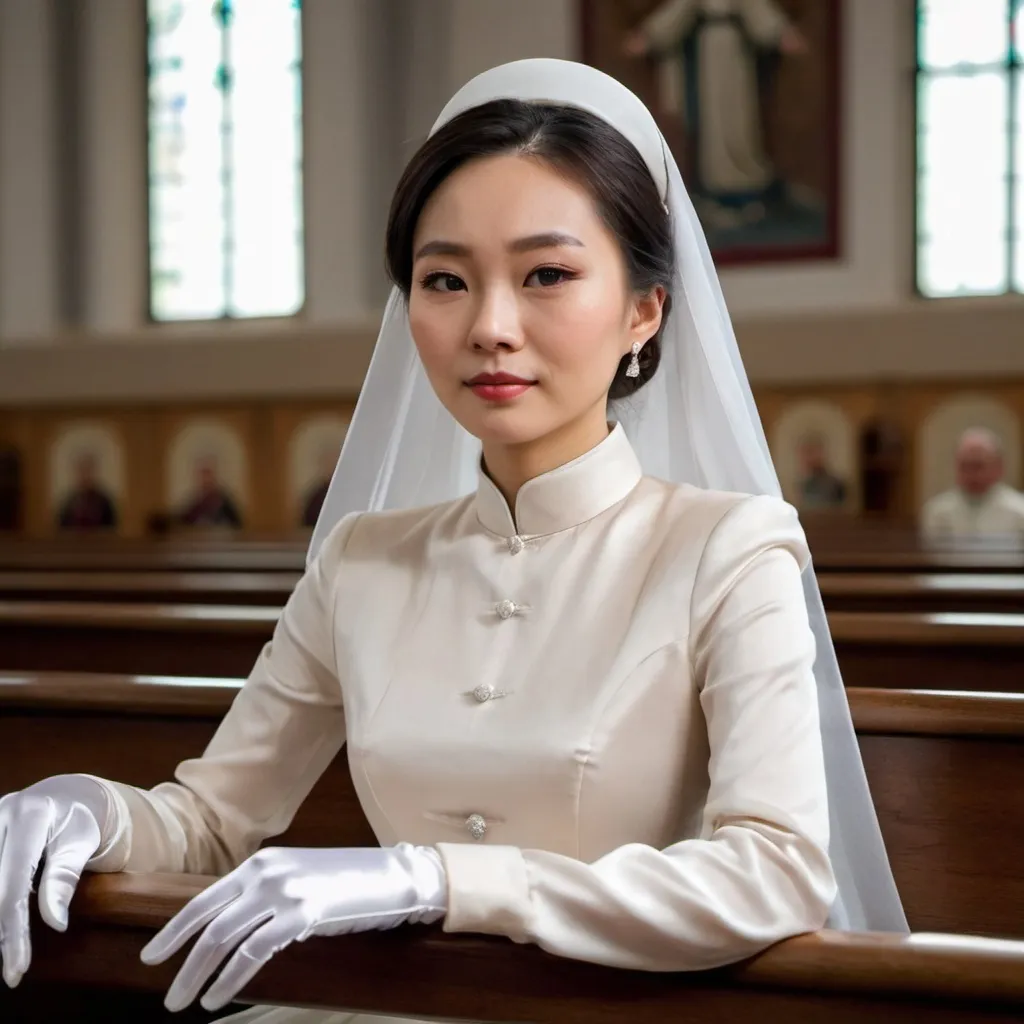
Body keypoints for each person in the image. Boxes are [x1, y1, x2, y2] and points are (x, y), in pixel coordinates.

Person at [0, 59, 905, 1022]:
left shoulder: (731, 549)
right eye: (445, 280)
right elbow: (212, 822)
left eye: (547, 275)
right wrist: (87, 808)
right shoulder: (360, 560)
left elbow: (775, 874)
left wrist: (441, 879)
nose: (491, 326)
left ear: (645, 310)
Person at [623, 0, 807, 229]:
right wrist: (648, 36)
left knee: (737, 123)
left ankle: (745, 185)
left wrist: (780, 32)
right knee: (714, 127)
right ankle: (718, 191)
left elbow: (755, 8)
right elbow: (679, 10)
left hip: (734, 53)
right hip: (707, 56)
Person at [921, 427, 1024, 542]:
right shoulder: (938, 511)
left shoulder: (1020, 510)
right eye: (965, 466)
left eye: (978, 465)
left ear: (998, 466)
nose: (971, 473)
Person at [56, 452, 118, 531]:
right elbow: (61, 528)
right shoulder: (69, 502)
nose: (85, 475)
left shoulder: (104, 501)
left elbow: (111, 527)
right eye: (82, 470)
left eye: (88, 470)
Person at [177, 455, 243, 529]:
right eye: (202, 476)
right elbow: (187, 519)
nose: (205, 480)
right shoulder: (198, 500)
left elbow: (235, 521)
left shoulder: (223, 499)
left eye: (207, 476)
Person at [797, 433, 847, 510]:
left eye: (812, 453)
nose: (809, 458)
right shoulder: (806, 485)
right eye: (807, 454)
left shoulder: (835, 484)